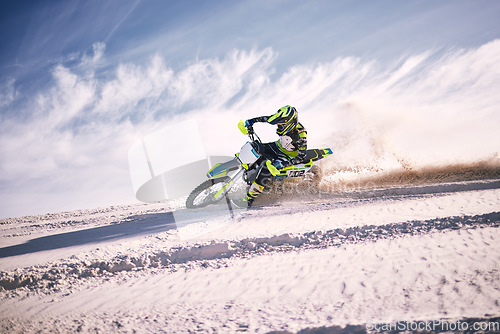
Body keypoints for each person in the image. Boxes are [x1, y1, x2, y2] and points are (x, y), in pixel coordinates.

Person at [238, 105, 307, 208]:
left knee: (267, 168)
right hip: (278, 146)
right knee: (257, 149)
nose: (278, 127)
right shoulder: (280, 119)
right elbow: (266, 119)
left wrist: (284, 163)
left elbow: (301, 156)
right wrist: (251, 122)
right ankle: (250, 176)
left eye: (280, 126)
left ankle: (250, 198)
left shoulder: (300, 136)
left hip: (288, 156)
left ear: (290, 124)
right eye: (278, 125)